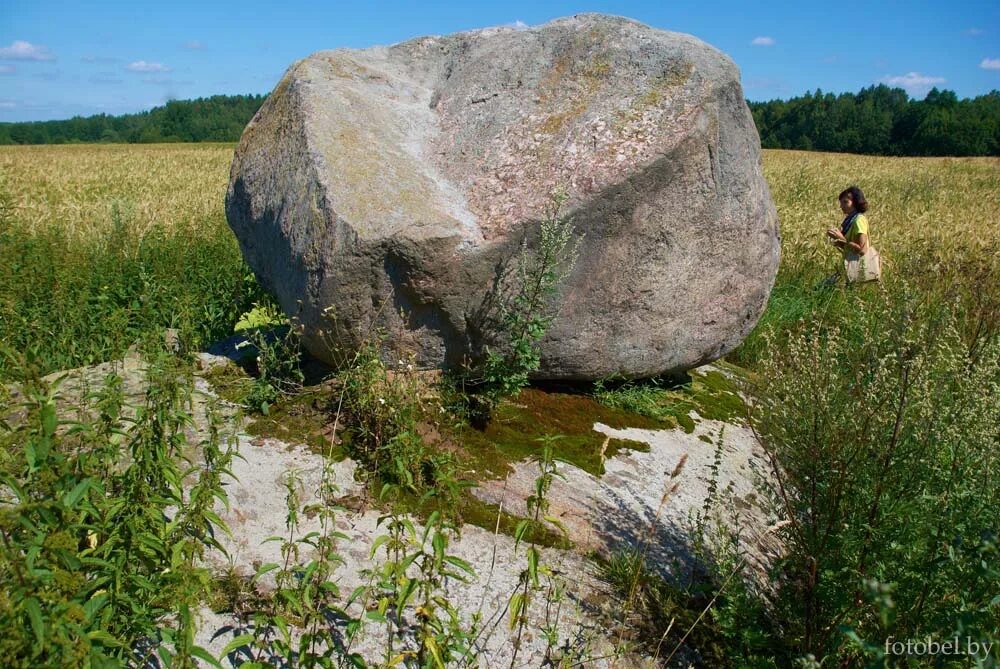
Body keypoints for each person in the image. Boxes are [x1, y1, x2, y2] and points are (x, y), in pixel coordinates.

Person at [826, 185, 869, 256]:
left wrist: (840, 238)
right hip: (850, 265)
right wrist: (836, 239)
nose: (841, 206)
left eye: (845, 202)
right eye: (841, 203)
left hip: (860, 266)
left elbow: (862, 250)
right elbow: (849, 248)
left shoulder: (859, 220)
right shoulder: (849, 221)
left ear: (856, 202)